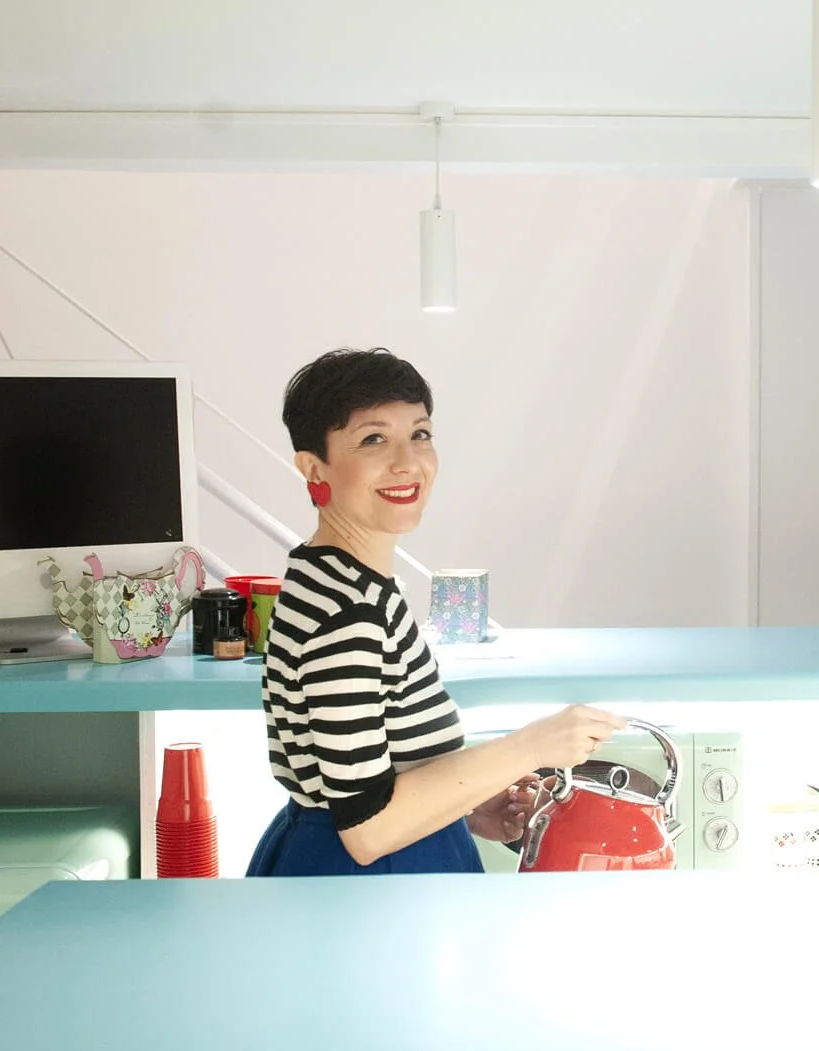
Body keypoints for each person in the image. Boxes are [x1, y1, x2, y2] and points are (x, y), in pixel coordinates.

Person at [246, 347, 625, 876]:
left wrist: (464, 808)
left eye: (419, 434)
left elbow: (367, 781)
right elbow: (366, 828)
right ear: (314, 467)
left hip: (373, 864)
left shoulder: (336, 578)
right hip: (366, 883)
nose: (407, 461)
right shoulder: (348, 612)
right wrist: (530, 747)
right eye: (373, 439)